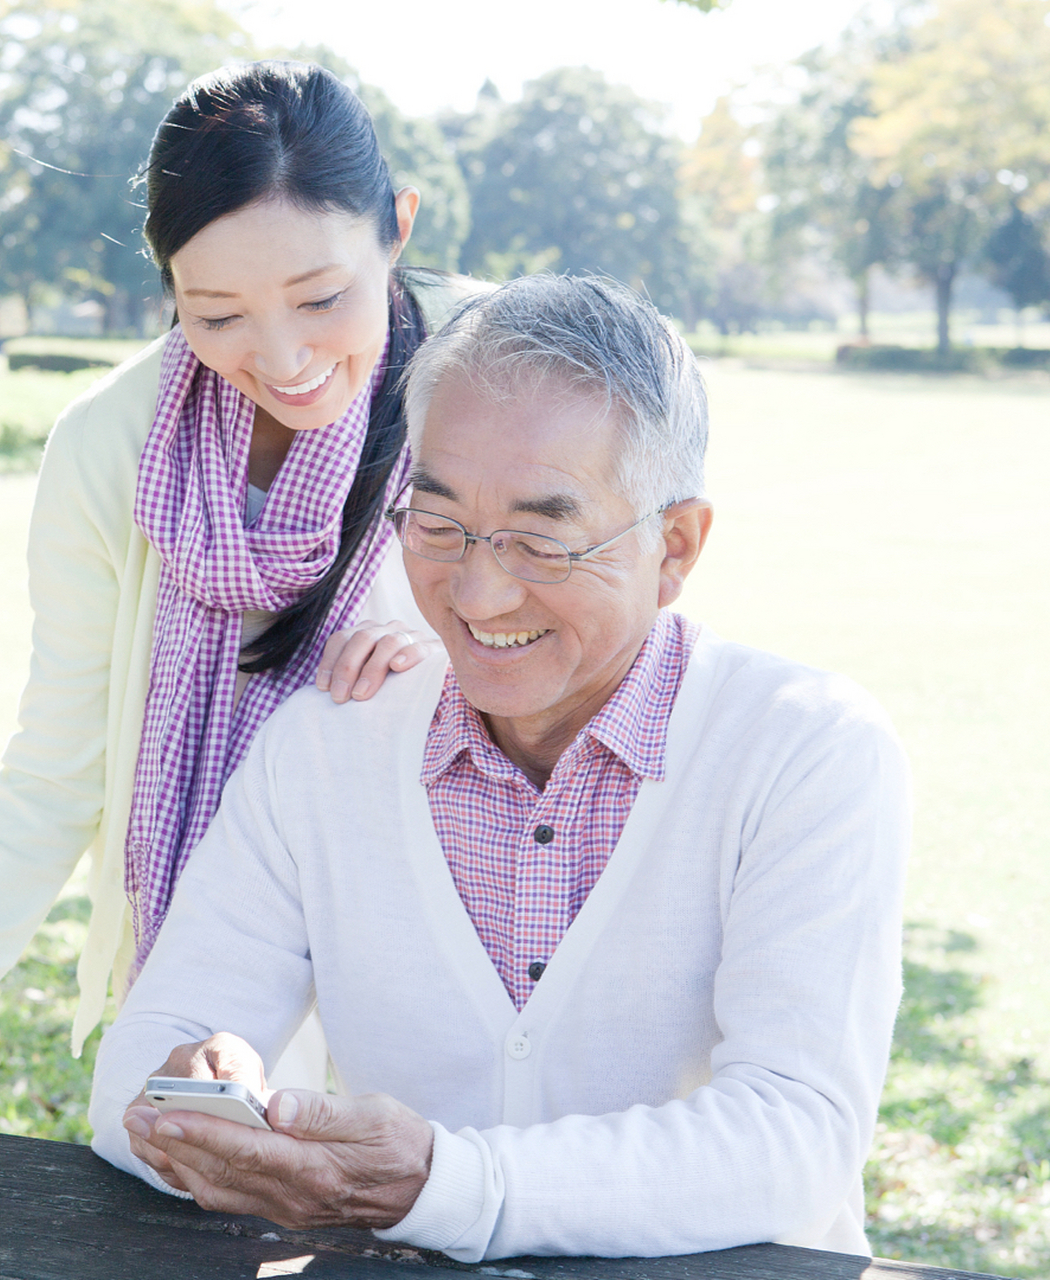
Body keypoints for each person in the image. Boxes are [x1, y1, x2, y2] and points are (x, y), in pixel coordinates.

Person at [0, 62, 478, 1104]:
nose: (282, 357)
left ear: (399, 227)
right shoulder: (112, 448)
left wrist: (454, 673)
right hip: (214, 990)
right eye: (218, 313)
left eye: (321, 297)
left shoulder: (489, 388)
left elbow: (615, 649)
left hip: (470, 965)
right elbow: (60, 758)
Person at [89, 274, 910, 1261]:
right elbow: (138, 1069)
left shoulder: (805, 748)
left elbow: (795, 1136)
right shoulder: (324, 747)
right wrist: (200, 1101)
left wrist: (447, 1183)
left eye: (540, 538)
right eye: (437, 524)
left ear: (676, 544)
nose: (478, 590)